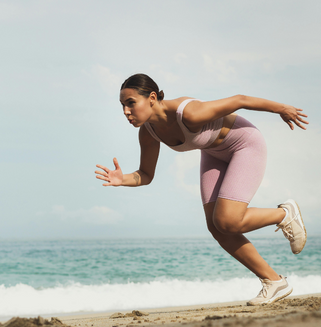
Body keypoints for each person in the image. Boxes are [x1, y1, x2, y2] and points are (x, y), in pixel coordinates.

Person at [95, 73, 309, 305]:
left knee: (228, 220)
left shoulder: (189, 113)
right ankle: (274, 281)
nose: (126, 111)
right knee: (216, 227)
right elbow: (146, 175)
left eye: (131, 103)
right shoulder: (148, 132)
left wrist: (282, 109)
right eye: (122, 105)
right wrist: (122, 179)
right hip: (213, 152)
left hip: (244, 144)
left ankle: (285, 214)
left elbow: (240, 100)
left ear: (152, 98)